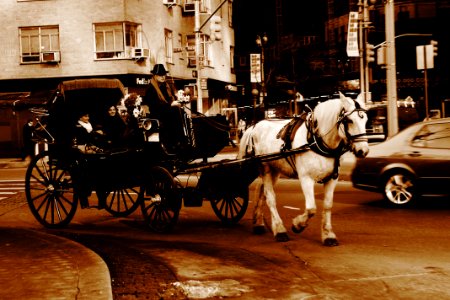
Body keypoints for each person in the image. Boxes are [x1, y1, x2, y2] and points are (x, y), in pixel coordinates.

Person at [143, 64, 189, 154]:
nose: (163, 77)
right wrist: (170, 105)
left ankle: (183, 140)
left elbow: (171, 99)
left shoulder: (166, 86)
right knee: (174, 112)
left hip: (168, 112)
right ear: (155, 76)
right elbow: (154, 106)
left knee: (182, 112)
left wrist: (179, 101)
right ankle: (176, 142)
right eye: (160, 75)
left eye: (164, 75)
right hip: (157, 114)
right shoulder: (150, 89)